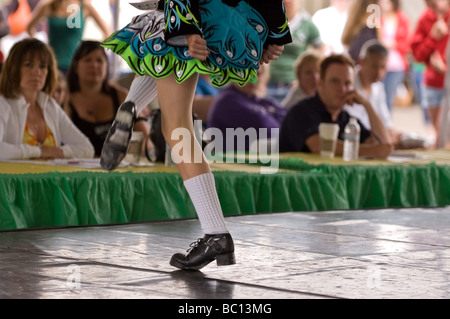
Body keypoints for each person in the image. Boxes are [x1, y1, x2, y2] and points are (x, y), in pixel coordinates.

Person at [100, 0, 292, 270]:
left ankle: (131, 105)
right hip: (223, 16)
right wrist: (275, 31)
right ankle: (131, 105)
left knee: (176, 126)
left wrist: (185, 27)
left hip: (187, 14)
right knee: (170, 100)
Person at [279, 53, 393, 159]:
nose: (342, 89)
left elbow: (385, 146)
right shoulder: (301, 112)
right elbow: (319, 146)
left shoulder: (347, 119)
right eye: (335, 81)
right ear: (320, 83)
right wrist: (369, 151)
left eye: (347, 83)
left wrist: (367, 105)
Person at [0, 38, 94, 160]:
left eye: (43, 66)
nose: (37, 72)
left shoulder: (51, 106)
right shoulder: (3, 106)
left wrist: (58, 152)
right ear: (13, 69)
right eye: (28, 65)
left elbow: (87, 148)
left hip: (51, 179)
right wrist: (40, 152)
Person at [65, 41, 149, 157]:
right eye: (87, 60)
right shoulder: (65, 99)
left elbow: (145, 139)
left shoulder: (122, 97)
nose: (94, 65)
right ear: (76, 66)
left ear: (106, 66)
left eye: (99, 60)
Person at [345, 40, 427, 149]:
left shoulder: (378, 87)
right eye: (374, 66)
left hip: (376, 138)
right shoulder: (347, 84)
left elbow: (386, 123)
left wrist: (403, 136)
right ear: (362, 61)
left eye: (383, 67)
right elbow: (353, 126)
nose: (379, 72)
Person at [207, 64, 286, 152]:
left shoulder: (256, 99)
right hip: (230, 161)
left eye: (258, 74)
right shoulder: (227, 100)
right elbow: (265, 127)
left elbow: (288, 120)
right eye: (245, 73)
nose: (253, 78)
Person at [27, 0, 109, 73]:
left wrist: (92, 53)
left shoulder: (84, 6)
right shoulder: (48, 5)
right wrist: (38, 49)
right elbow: (29, 27)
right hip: (51, 64)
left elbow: (107, 33)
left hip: (75, 66)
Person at [411, 0, 450, 147]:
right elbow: (417, 55)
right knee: (440, 135)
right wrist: (432, 37)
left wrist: (445, 69)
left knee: (445, 135)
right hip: (432, 84)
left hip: (447, 81)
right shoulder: (424, 19)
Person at [267, 0, 322, 102]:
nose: (287, 1)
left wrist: (302, 80)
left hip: (292, 85)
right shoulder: (267, 18)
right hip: (268, 84)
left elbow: (321, 50)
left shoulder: (307, 23)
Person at [379, 0, 410, 111]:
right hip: (379, 63)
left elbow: (407, 44)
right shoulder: (375, 17)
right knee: (377, 97)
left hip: (396, 65)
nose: (384, 4)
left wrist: (394, 44)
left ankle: (385, 124)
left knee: (388, 97)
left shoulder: (402, 19)